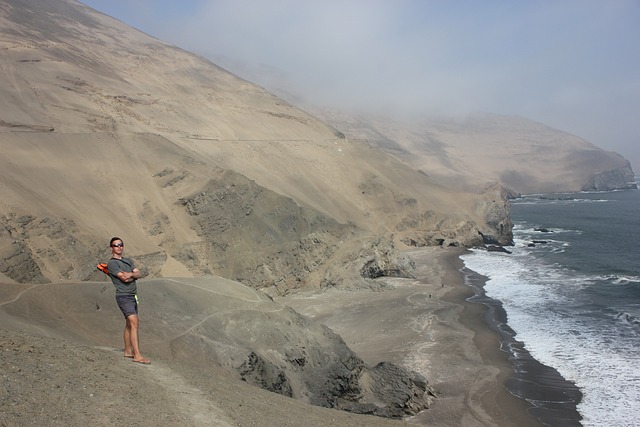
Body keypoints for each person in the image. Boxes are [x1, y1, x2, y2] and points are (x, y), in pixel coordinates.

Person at [107, 237, 150, 364]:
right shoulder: (112, 264)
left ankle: (127, 351)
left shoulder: (128, 261)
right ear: (111, 248)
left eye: (121, 245)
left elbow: (138, 274)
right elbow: (123, 279)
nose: (119, 247)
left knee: (129, 324)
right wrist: (132, 275)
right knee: (134, 323)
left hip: (132, 295)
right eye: (116, 245)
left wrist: (131, 274)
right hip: (123, 296)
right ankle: (137, 355)